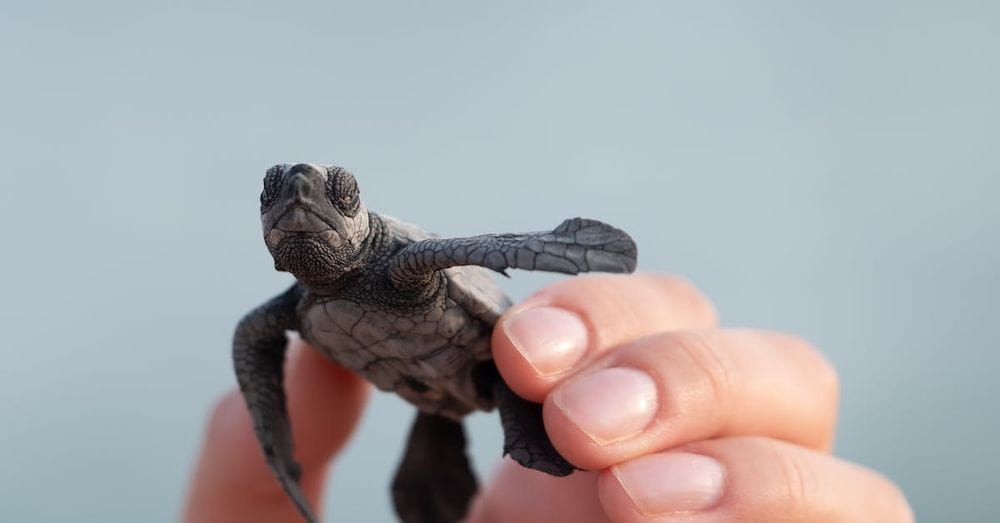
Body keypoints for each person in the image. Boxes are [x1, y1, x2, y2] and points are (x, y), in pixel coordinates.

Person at [181, 274, 913, 522]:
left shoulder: (398, 263)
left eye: (323, 197)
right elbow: (260, 380)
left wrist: (558, 251)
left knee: (545, 391)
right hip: (432, 395)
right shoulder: (273, 322)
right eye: (275, 202)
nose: (297, 212)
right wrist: (277, 461)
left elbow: (476, 258)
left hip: (493, 367)